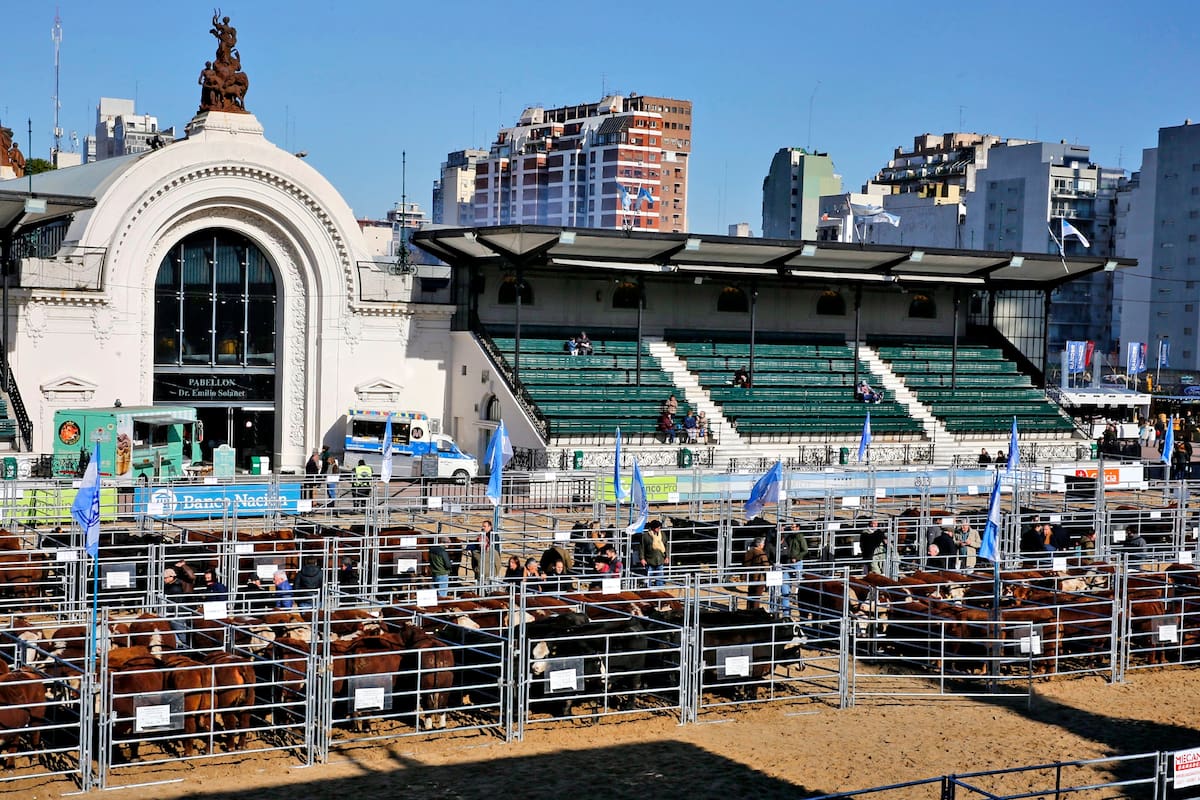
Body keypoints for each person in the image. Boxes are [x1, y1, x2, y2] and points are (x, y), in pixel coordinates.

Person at [776, 524, 809, 616]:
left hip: (797, 563)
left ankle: (795, 597)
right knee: (785, 583)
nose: (792, 528)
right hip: (789, 562)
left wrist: (797, 557)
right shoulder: (789, 536)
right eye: (791, 527)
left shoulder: (800, 537)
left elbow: (805, 550)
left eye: (794, 527)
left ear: (798, 528)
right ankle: (786, 611)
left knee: (798, 582)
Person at [638, 520, 670, 587]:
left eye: (659, 527)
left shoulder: (662, 535)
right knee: (648, 579)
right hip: (649, 560)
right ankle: (648, 590)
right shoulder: (646, 536)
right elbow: (641, 548)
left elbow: (666, 546)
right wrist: (642, 558)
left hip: (660, 560)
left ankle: (659, 590)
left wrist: (667, 556)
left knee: (660, 579)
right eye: (657, 527)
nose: (659, 529)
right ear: (653, 528)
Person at [742, 537, 771, 611]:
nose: (763, 545)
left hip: (750, 576)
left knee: (750, 594)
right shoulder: (761, 553)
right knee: (757, 596)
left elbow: (745, 564)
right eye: (763, 544)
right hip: (759, 577)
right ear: (760, 545)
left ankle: (749, 610)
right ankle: (755, 611)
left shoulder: (749, 552)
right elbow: (766, 566)